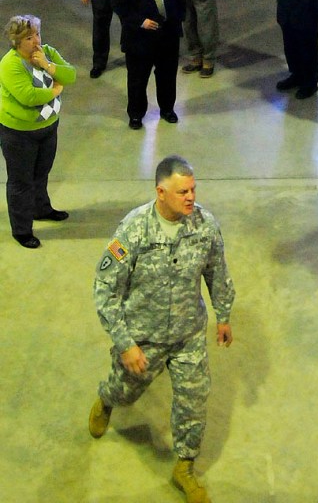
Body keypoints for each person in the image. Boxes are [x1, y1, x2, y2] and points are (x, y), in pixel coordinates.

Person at [89, 155, 234, 503]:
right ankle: (107, 400)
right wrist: (125, 344)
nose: (190, 197)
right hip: (144, 337)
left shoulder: (205, 226)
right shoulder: (133, 230)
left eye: (193, 190)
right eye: (182, 191)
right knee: (125, 390)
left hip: (187, 334)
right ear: (160, 192)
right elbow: (105, 289)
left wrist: (223, 314)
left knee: (194, 400)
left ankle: (184, 466)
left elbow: (217, 271)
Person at [0, 15, 76, 248]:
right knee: (21, 182)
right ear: (16, 41)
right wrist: (55, 90)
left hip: (47, 127)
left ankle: (41, 209)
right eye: (29, 38)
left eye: (37, 35)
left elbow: (70, 75)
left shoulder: (47, 53)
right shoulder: (10, 64)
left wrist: (46, 65)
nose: (36, 41)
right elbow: (29, 97)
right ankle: (21, 230)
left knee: (41, 173)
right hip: (19, 134)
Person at [112, 0, 186, 129]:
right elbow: (119, 5)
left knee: (167, 76)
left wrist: (177, 18)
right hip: (140, 38)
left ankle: (167, 109)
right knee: (137, 79)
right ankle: (136, 115)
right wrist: (140, 22)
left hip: (167, 35)